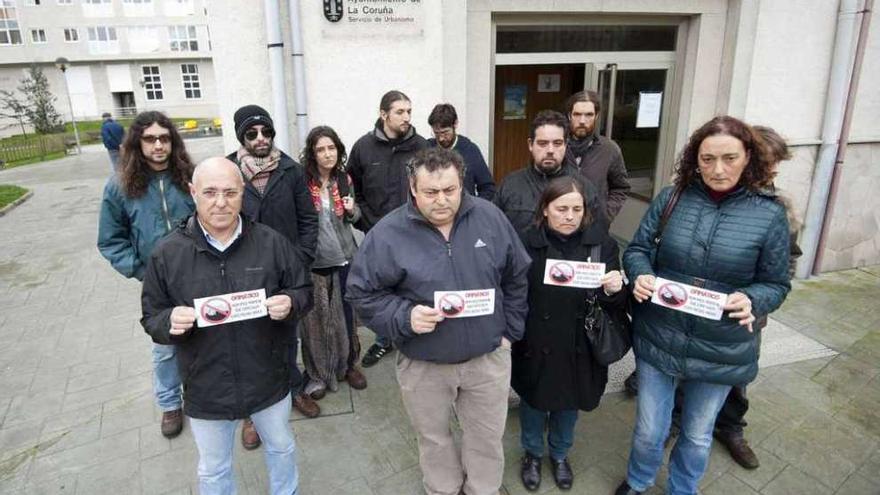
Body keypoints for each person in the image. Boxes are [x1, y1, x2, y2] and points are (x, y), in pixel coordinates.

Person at [615, 116, 792, 495]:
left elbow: (776, 282)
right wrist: (640, 273)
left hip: (721, 344)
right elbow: (639, 249)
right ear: (695, 159)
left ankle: (683, 488)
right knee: (650, 429)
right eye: (707, 159)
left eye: (729, 157)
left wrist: (754, 298)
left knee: (697, 433)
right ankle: (639, 480)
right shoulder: (672, 198)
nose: (718, 169)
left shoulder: (770, 213)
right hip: (659, 334)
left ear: (749, 157)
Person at [346, 147, 531, 495]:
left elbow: (517, 276)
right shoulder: (387, 234)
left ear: (462, 184)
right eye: (431, 192)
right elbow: (360, 293)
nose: (442, 200)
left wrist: (510, 332)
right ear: (413, 189)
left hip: (487, 360)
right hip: (424, 363)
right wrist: (403, 315)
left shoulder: (490, 218)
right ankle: (442, 489)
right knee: (434, 439)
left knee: (487, 438)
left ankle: (482, 489)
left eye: (450, 190)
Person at [141, 157, 312, 495]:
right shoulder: (167, 254)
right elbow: (152, 316)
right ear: (193, 193)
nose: (221, 202)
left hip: (268, 378)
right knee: (214, 470)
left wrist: (291, 303)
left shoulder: (271, 243)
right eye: (210, 192)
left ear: (243, 194)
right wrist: (168, 321)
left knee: (281, 448)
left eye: (230, 192)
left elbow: (303, 290)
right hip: (206, 386)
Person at [512, 176, 627, 492]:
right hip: (535, 340)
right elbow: (512, 291)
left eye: (576, 209)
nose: (569, 215)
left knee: (568, 404)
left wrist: (615, 288)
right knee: (534, 403)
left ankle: (560, 454)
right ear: (545, 209)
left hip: (580, 344)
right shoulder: (525, 242)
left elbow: (616, 303)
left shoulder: (601, 244)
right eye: (561, 208)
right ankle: (533, 454)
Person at [704, 125, 803, 470]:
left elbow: (786, 265)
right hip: (702, 310)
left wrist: (756, 300)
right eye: (768, 162)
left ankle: (730, 428)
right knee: (691, 375)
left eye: (777, 164)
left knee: (737, 377)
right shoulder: (709, 198)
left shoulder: (779, 207)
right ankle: (681, 419)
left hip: (745, 315)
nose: (772, 170)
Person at [225, 104, 320, 446]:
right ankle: (252, 415)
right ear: (242, 137)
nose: (261, 139)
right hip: (241, 277)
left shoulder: (290, 170)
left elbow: (309, 220)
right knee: (247, 344)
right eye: (252, 134)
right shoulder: (227, 170)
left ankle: (293, 390)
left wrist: (300, 259)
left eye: (266, 132)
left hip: (284, 274)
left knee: (286, 338)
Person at [97, 110, 195, 439]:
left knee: (205, 334)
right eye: (150, 139)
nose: (158, 145)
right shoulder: (120, 186)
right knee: (166, 344)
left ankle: (203, 393)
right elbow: (110, 241)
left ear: (173, 142)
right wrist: (141, 270)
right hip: (157, 283)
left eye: (164, 138)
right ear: (138, 143)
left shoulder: (190, 177)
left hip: (199, 273)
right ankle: (170, 403)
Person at [347, 90, 427, 367]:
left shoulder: (422, 147)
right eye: (400, 112)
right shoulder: (363, 148)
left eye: (409, 112)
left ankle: (414, 336)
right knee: (380, 290)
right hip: (378, 233)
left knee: (414, 286)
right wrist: (364, 221)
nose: (406, 117)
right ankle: (383, 341)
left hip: (417, 233)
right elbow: (351, 189)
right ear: (383, 114)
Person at [298, 125, 368, 399]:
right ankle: (317, 374)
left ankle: (349, 365)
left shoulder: (344, 179)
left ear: (338, 150)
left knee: (348, 318)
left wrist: (353, 210)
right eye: (320, 149)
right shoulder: (302, 182)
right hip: (315, 261)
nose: (327, 154)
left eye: (331, 148)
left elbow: (354, 217)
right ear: (312, 154)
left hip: (344, 257)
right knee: (316, 322)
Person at [494, 110, 602, 234]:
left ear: (566, 145)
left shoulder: (584, 188)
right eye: (543, 143)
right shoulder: (510, 185)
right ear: (530, 144)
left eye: (557, 143)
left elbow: (596, 237)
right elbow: (494, 231)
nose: (550, 150)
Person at [563, 90, 631, 222]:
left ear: (596, 116)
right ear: (569, 116)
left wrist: (605, 216)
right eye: (577, 114)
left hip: (594, 227)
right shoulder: (556, 147)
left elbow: (621, 188)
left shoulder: (609, 149)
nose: (582, 121)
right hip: (559, 225)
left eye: (588, 115)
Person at [426, 103, 496, 200]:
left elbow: (488, 188)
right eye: (436, 133)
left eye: (445, 133)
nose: (441, 138)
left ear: (455, 124)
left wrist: (475, 209)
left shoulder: (471, 150)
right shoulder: (427, 149)